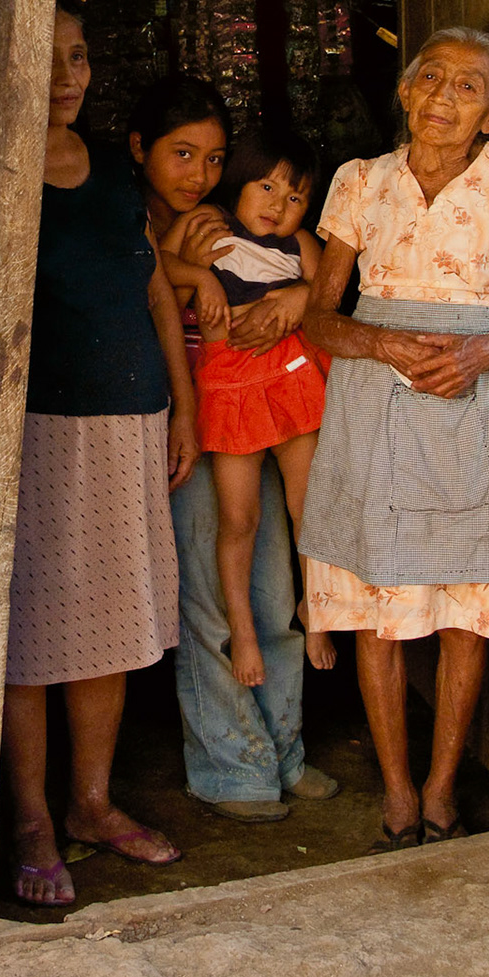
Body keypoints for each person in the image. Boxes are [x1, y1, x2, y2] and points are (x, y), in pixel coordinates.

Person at [298, 26, 489, 851]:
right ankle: (399, 797)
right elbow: (319, 314)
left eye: (469, 86)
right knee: (381, 606)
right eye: (432, 80)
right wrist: (379, 342)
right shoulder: (361, 182)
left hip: (469, 392)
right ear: (406, 93)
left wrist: (484, 349)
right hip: (377, 396)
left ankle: (444, 793)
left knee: (463, 606)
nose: (444, 97)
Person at [3, 4, 198, 907]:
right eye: (45, 59)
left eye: (77, 57)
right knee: (31, 629)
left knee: (110, 619)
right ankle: (33, 818)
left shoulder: (118, 177)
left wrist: (181, 409)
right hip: (36, 425)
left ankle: (91, 803)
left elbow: (157, 294)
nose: (66, 76)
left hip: (128, 418)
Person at [129, 79, 339, 824]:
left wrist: (294, 302)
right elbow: (156, 295)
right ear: (139, 151)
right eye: (182, 154)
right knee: (213, 601)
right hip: (199, 421)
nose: (199, 174)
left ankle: (283, 749)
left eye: (215, 158)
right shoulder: (164, 230)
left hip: (264, 411)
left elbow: (318, 282)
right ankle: (232, 765)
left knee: (274, 589)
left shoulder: (240, 227)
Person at [160, 130, 334, 682]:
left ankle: (318, 608)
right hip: (228, 384)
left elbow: (333, 288)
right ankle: (246, 633)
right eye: (266, 187)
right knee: (239, 520)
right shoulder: (206, 221)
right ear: (239, 180)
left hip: (288, 376)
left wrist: (302, 296)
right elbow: (154, 268)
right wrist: (201, 277)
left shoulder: (301, 244)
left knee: (310, 505)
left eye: (295, 197)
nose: (278, 206)